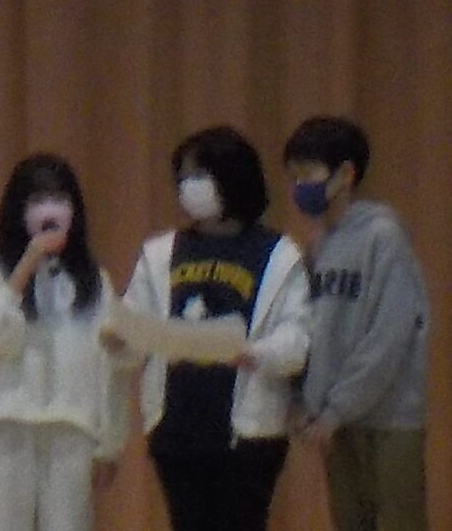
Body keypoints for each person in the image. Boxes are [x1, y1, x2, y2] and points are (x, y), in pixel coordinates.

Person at [119, 126, 313, 531]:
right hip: (175, 427)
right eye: (183, 177)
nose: (188, 187)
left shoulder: (279, 255)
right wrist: (119, 338)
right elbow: (135, 323)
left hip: (247, 433)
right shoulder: (161, 253)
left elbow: (297, 339)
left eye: (199, 176)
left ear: (231, 177)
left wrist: (255, 354)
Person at [0, 152, 130, 531]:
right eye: (38, 200)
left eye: (59, 199)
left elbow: (111, 365)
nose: (50, 209)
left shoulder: (93, 280)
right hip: (9, 425)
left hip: (71, 428)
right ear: (19, 210)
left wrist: (111, 442)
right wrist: (27, 264)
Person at [281, 116, 430, 531]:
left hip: (388, 419)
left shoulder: (384, 237)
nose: (299, 187)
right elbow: (314, 333)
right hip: (339, 422)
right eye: (294, 177)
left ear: (346, 174)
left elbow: (389, 337)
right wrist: (306, 402)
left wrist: (338, 408)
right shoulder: (318, 246)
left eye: (308, 174)